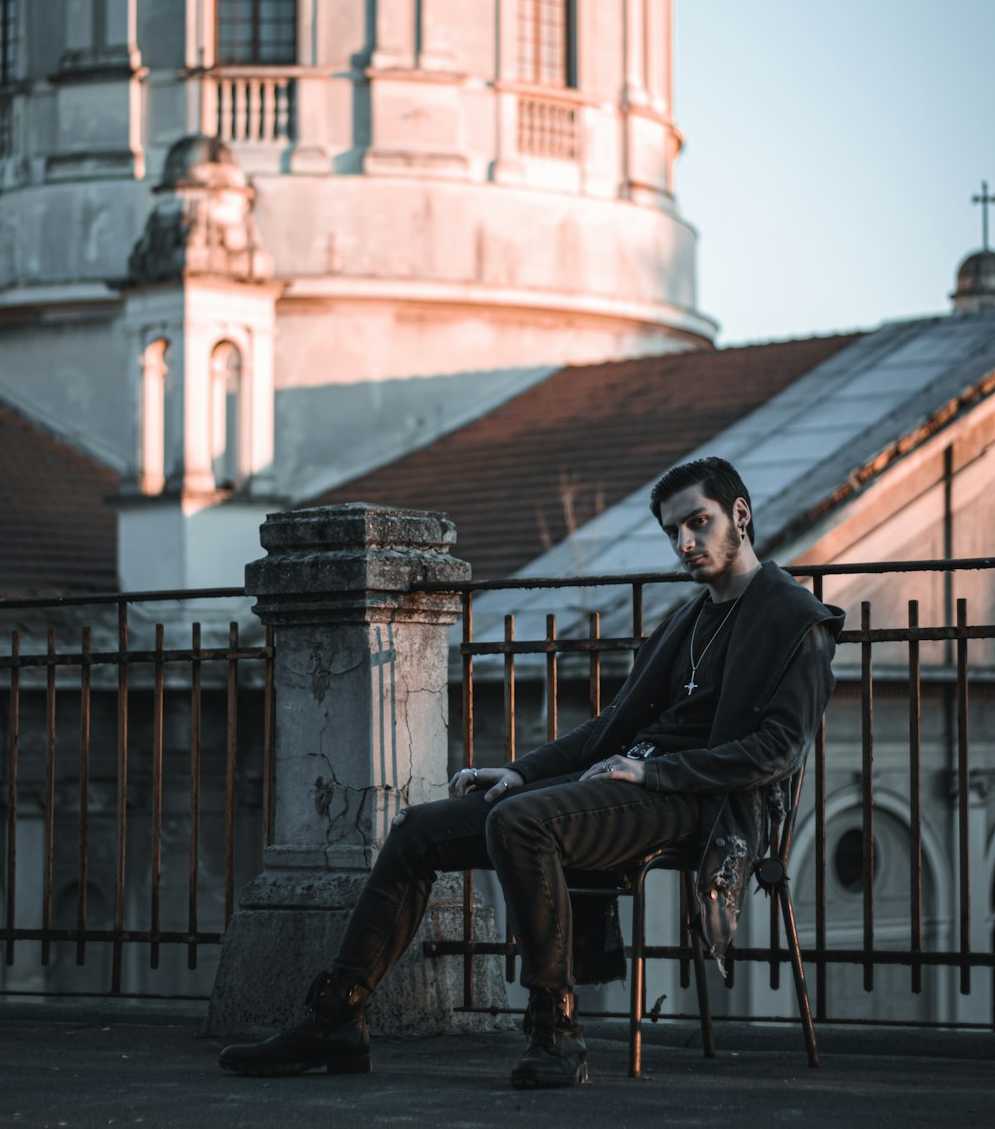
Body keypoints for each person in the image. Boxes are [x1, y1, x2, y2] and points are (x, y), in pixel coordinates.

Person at [219, 456, 844, 1089]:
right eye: (673, 531)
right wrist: (519, 771)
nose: (685, 543)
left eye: (698, 523)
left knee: (521, 825)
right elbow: (609, 726)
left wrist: (653, 775)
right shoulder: (686, 620)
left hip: (703, 806)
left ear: (740, 515)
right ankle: (337, 1016)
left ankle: (556, 1033)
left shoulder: (797, 620)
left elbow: (778, 750)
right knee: (418, 830)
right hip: (626, 783)